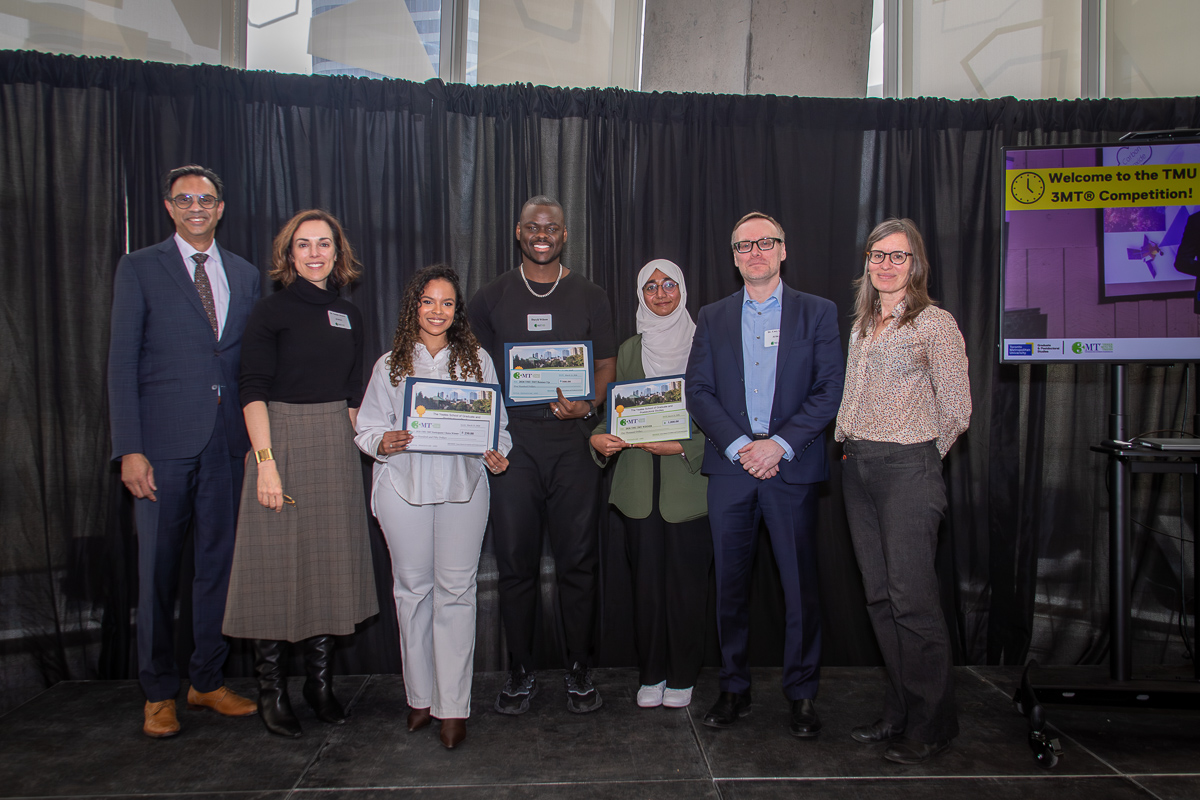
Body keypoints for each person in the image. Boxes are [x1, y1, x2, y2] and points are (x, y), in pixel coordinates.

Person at [108, 165, 260, 738]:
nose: (196, 206)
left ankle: (206, 680)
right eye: (185, 199)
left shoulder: (244, 275)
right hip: (161, 449)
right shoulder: (140, 268)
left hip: (227, 447)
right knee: (157, 572)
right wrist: (129, 449)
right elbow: (121, 363)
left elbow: (245, 365)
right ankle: (156, 692)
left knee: (217, 569)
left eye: (207, 199)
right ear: (169, 207)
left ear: (221, 208)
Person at [685, 211, 844, 738]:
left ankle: (802, 694)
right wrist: (739, 446)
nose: (754, 251)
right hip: (732, 470)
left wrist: (777, 445)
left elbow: (828, 390)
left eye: (765, 242)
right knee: (729, 587)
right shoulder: (711, 316)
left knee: (800, 587)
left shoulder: (818, 313)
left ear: (782, 250)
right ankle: (734, 687)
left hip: (789, 468)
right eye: (743, 245)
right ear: (733, 257)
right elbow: (699, 391)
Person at [222, 209, 378, 738]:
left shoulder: (349, 315)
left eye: (324, 244)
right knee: (275, 569)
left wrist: (384, 443)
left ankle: (320, 685)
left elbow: (356, 399)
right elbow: (252, 389)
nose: (315, 253)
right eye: (304, 244)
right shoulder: (271, 312)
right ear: (289, 254)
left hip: (335, 443)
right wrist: (266, 465)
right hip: (280, 442)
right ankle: (272, 690)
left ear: (339, 253)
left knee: (327, 566)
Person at [467, 195, 617, 715]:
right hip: (514, 447)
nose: (541, 233)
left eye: (551, 226)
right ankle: (521, 669)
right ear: (518, 231)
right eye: (533, 226)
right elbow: (478, 377)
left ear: (564, 234)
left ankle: (579, 668)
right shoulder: (490, 298)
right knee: (515, 564)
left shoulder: (591, 295)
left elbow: (605, 368)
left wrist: (591, 403)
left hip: (572, 443)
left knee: (578, 561)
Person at [355, 264, 512, 749]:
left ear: (456, 309)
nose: (437, 311)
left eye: (447, 302)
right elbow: (364, 429)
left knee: (457, 592)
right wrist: (386, 440)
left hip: (464, 486)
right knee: (413, 591)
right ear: (413, 307)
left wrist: (497, 453)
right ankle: (419, 699)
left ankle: (453, 707)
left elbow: (499, 426)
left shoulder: (477, 362)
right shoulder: (390, 365)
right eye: (428, 301)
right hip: (403, 487)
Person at [835, 218, 970, 765]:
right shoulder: (863, 323)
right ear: (867, 262)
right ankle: (900, 712)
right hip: (858, 465)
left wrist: (916, 459)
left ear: (916, 264)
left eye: (899, 255)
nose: (886, 264)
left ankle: (934, 724)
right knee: (880, 597)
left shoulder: (935, 324)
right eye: (877, 254)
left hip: (908, 466)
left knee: (913, 600)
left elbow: (957, 409)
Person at [589, 259, 711, 710]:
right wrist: (598, 439)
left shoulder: (707, 345)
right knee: (645, 588)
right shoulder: (627, 350)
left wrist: (683, 448)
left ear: (683, 290)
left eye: (670, 285)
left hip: (688, 486)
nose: (661, 294)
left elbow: (727, 418)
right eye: (651, 287)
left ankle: (682, 675)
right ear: (640, 295)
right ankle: (652, 672)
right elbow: (612, 416)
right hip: (639, 488)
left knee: (687, 587)